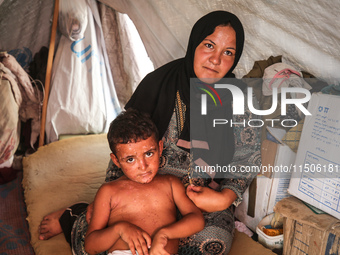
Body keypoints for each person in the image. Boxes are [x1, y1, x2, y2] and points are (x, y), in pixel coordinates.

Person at [39, 10, 261, 255]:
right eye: (209, 45)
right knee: (105, 240)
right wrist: (111, 195)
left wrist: (224, 198)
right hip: (145, 190)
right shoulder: (158, 84)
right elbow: (125, 142)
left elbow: (246, 159)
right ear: (194, 43)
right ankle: (74, 215)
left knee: (212, 243)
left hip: (201, 203)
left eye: (228, 52)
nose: (216, 59)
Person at [84, 109, 204, 255]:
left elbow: (196, 219)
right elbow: (90, 245)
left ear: (160, 148)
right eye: (130, 159)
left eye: (148, 154)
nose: (143, 166)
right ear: (116, 160)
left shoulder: (170, 184)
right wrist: (120, 229)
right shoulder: (109, 191)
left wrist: (165, 234)